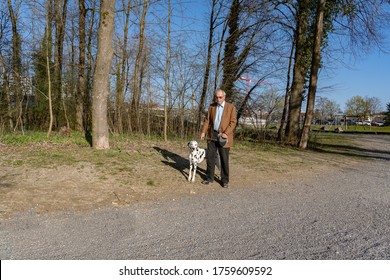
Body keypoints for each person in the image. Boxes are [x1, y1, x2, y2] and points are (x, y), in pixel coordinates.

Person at [200, 89, 237, 188]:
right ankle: (209, 178)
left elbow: (233, 122)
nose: (218, 99)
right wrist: (203, 132)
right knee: (210, 157)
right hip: (212, 135)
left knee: (224, 159)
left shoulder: (230, 107)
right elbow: (207, 120)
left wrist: (226, 133)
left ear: (224, 97)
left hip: (224, 137)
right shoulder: (212, 107)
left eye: (220, 97)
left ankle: (225, 180)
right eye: (216, 97)